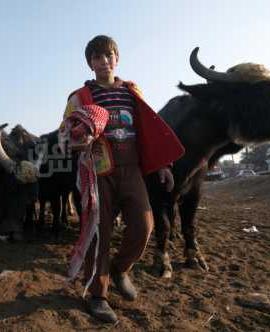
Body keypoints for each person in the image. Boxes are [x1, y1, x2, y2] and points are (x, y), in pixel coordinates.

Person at [59, 35, 184, 323]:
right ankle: (98, 295)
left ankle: (119, 268)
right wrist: (79, 142)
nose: (104, 61)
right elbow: (66, 134)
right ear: (90, 64)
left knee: (144, 226)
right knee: (99, 232)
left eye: (108, 55)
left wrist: (163, 163)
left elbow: (146, 129)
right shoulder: (79, 97)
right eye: (97, 57)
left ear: (117, 58)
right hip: (98, 170)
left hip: (131, 168)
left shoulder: (132, 92)